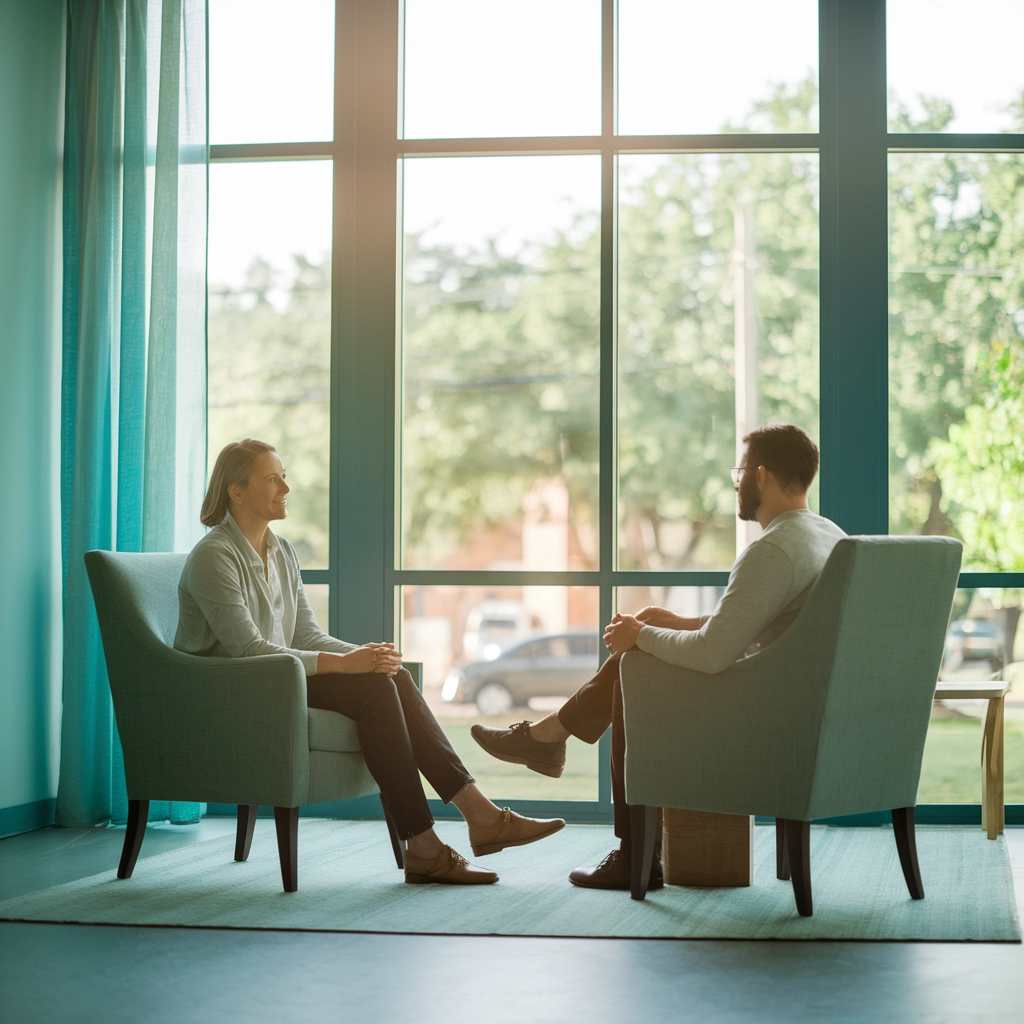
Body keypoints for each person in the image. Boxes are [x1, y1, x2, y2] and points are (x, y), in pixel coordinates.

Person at [471, 424, 847, 891]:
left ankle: (632, 852)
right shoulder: (824, 535)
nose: (737, 482)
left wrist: (641, 635)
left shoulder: (772, 550)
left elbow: (712, 656)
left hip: (760, 719)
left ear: (761, 475)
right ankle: (549, 737)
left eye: (740, 472)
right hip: (794, 703)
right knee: (642, 647)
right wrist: (672, 623)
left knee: (636, 670)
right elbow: (767, 629)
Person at [175, 438, 564, 885]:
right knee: (372, 686)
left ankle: (477, 816)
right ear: (236, 491)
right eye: (272, 478)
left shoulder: (281, 550)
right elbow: (248, 650)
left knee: (388, 675)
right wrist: (346, 666)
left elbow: (304, 635)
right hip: (233, 688)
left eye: (284, 475)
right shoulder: (213, 557)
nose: (286, 486)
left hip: (278, 679)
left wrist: (366, 656)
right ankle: (427, 845)